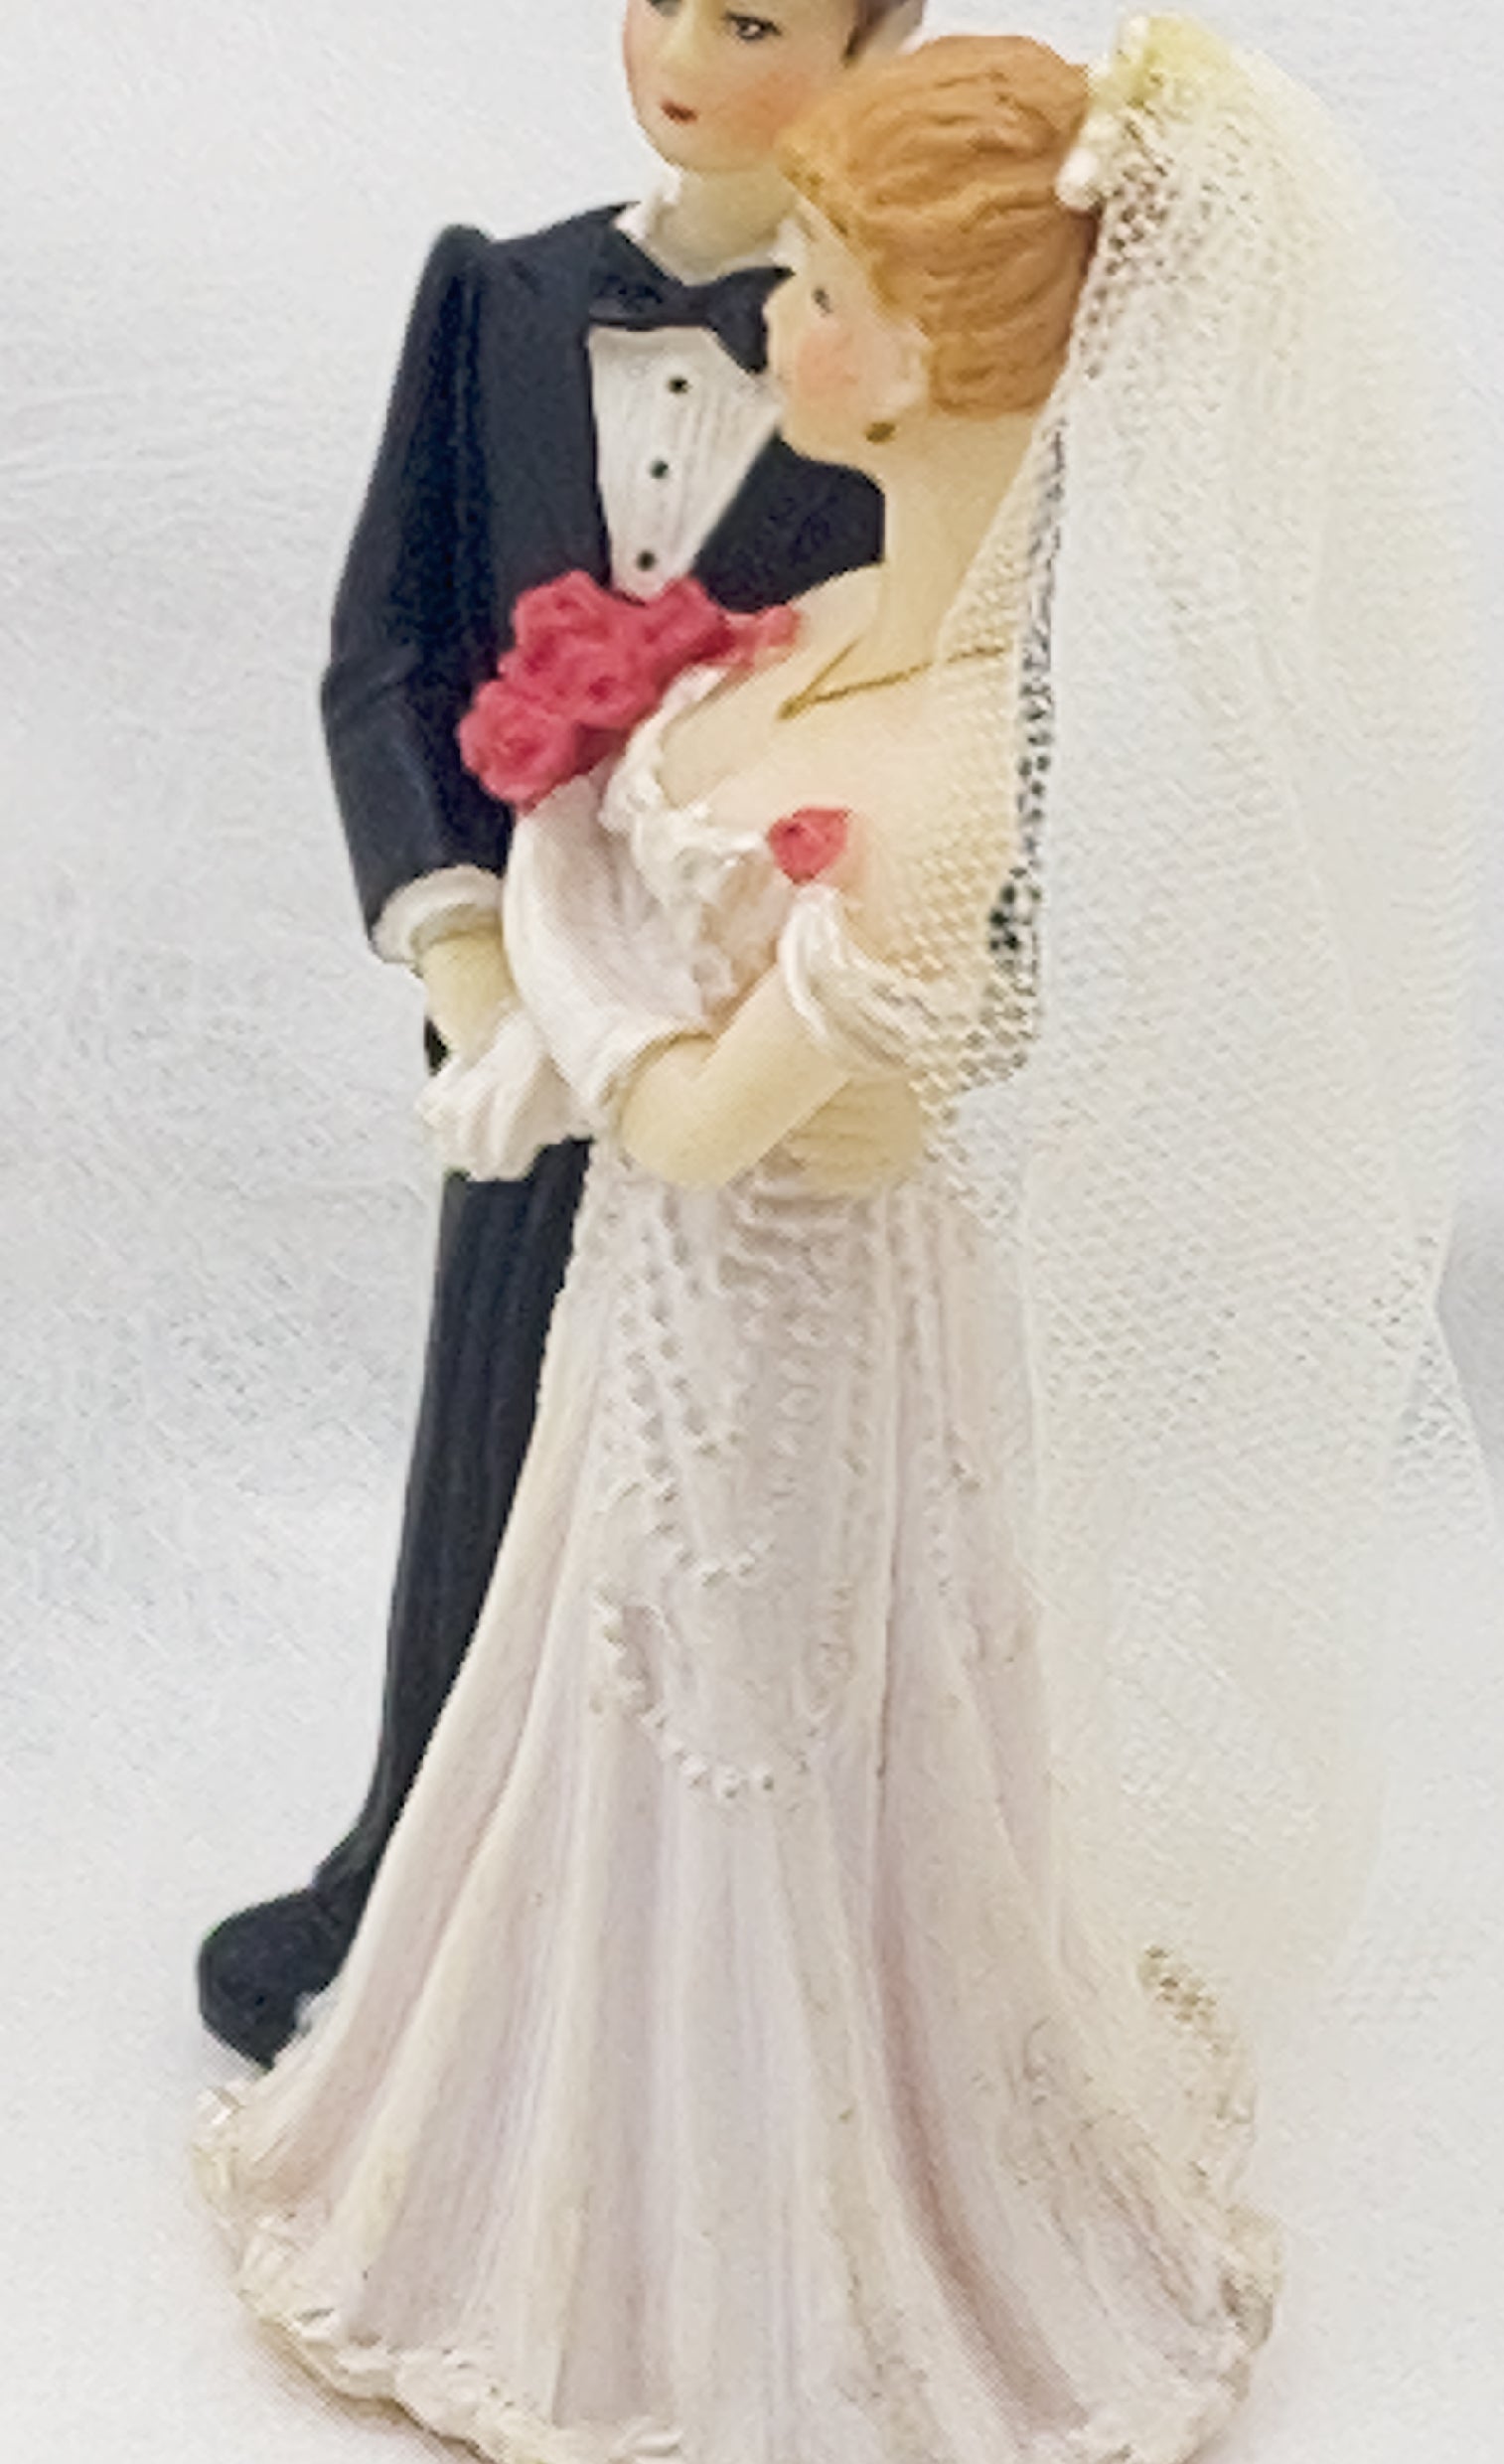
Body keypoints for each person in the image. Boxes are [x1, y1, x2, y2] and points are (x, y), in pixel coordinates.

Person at [198, 21, 1473, 2461]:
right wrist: (490, 929)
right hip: (648, 1303)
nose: (779, 313)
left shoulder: (932, 760)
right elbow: (410, 667)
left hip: (770, 1295)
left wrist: (581, 997)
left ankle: (766, 2215)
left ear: (920, 349)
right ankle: (518, 2051)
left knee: (756, 1722)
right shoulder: (765, 568)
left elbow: (712, 1113)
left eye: (826, 284)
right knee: (565, 1667)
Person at [197, 0, 927, 2069]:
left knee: (744, 1470)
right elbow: (387, 650)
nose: (678, 47)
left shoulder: (896, 339)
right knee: (491, 1423)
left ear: (879, 43)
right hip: (528, 1002)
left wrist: (900, 1006)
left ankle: (750, 1928)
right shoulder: (497, 299)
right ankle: (414, 1854)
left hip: (761, 1004)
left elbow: (982, 682)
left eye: (755, 17)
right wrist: (462, 951)